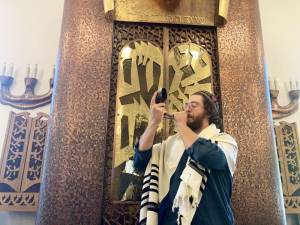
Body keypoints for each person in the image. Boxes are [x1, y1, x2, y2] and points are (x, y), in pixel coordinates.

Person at [134, 90, 238, 225]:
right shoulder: (170, 144)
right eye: (186, 105)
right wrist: (153, 122)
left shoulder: (225, 141)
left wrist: (181, 125)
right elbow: (140, 161)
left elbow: (206, 155)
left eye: (193, 105)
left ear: (209, 112)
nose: (187, 109)